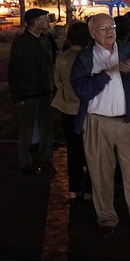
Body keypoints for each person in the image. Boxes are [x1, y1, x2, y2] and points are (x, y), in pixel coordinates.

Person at [70, 13, 130, 237]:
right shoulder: (85, 57)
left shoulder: (128, 49)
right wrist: (108, 73)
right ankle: (106, 219)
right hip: (97, 123)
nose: (109, 31)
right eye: (103, 28)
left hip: (127, 123)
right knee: (100, 174)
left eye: (112, 26)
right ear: (92, 33)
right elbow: (82, 90)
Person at [9, 8, 58, 175]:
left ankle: (46, 159)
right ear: (35, 22)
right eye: (44, 18)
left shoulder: (45, 39)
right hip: (29, 93)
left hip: (46, 91)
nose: (48, 21)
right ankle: (26, 161)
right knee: (27, 129)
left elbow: (52, 62)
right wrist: (18, 95)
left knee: (47, 127)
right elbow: (14, 70)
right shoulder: (22, 43)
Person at [52, 21, 93, 200]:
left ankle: (73, 187)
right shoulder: (91, 56)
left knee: (73, 149)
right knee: (92, 149)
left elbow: (57, 82)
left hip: (68, 108)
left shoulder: (63, 57)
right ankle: (91, 189)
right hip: (89, 108)